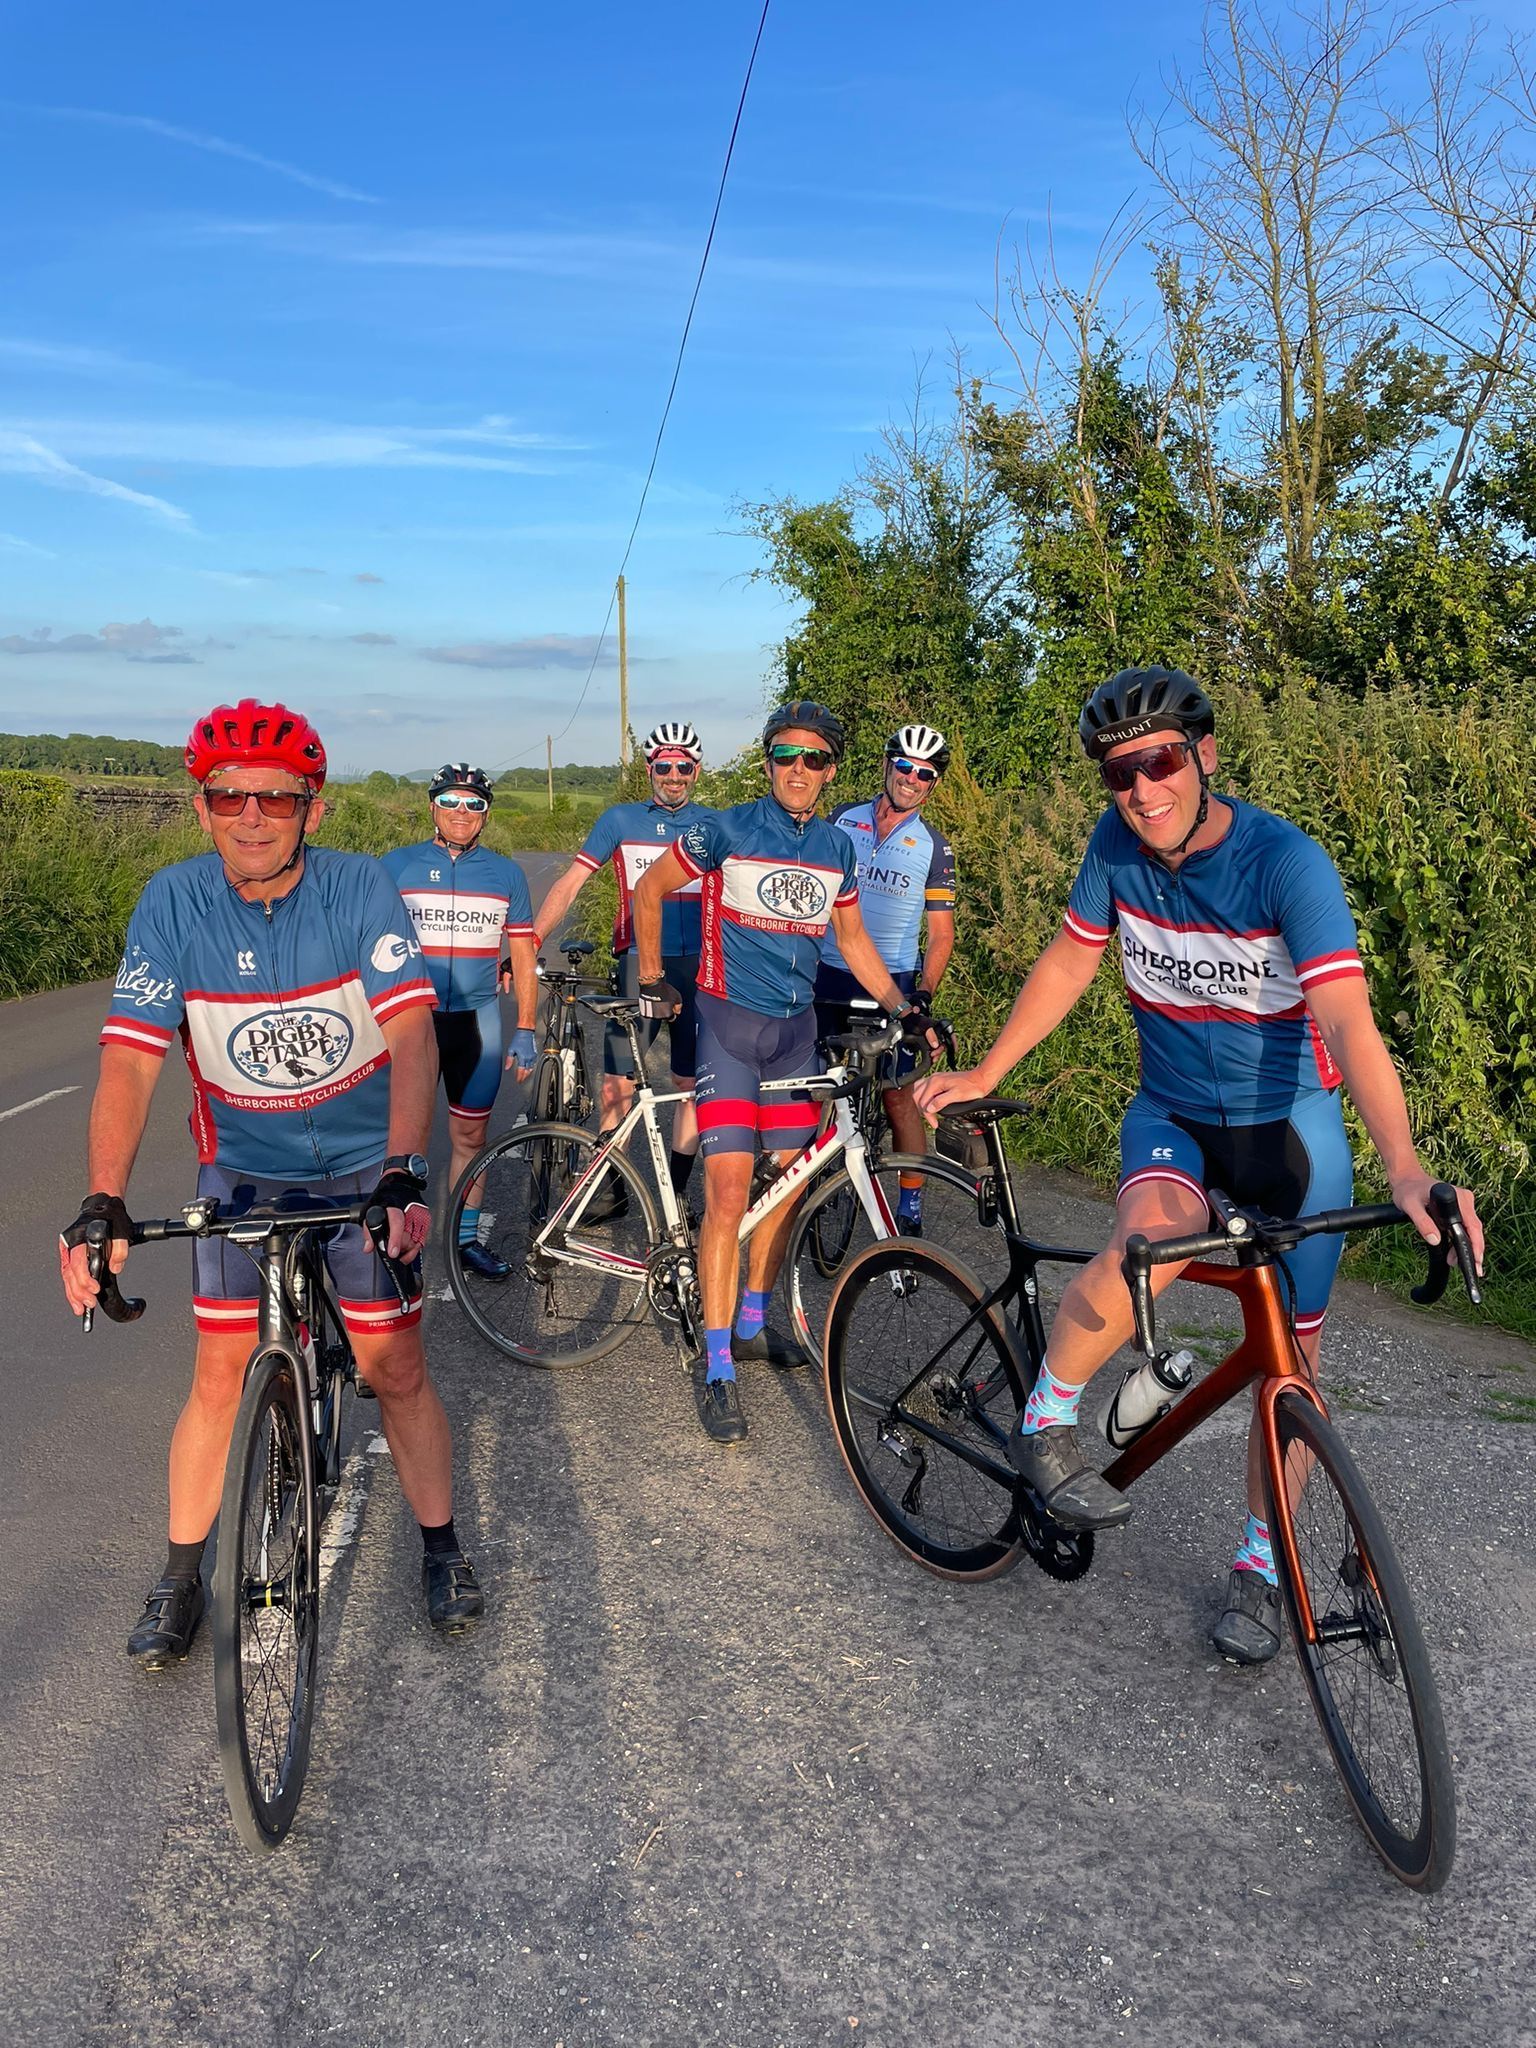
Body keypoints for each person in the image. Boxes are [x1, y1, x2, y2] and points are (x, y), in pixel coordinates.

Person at [917, 666, 1484, 1663]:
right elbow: (1071, 960)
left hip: (1292, 1136)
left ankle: (1263, 1564)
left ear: (1204, 754)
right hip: (1174, 1117)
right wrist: (989, 1069)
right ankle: (1046, 1421)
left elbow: (1347, 1020)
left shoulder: (1285, 862)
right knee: (1155, 1236)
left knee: (1291, 1369)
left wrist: (1403, 1164)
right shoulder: (1114, 849)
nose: (1142, 790)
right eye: (1118, 773)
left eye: (1161, 761)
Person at [59, 699, 485, 1668]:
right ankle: (180, 1575)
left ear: (313, 810)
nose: (251, 816)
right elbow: (129, 1060)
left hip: (360, 1168)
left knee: (394, 1368)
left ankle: (442, 1547)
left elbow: (411, 1033)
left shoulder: (357, 889)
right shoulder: (172, 903)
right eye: (229, 796)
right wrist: (103, 1197)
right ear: (201, 807)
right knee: (217, 1374)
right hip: (243, 1174)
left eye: (276, 798)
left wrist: (403, 1170)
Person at [633, 701, 929, 1446]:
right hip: (727, 1027)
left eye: (815, 758)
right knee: (729, 1193)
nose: (799, 769)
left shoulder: (838, 847)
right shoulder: (725, 829)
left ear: (831, 771)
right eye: (787, 755)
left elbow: (851, 939)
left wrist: (906, 1007)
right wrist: (651, 974)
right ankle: (717, 1364)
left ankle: (755, 1322)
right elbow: (648, 889)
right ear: (768, 762)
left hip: (795, 1037)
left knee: (787, 1187)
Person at [532, 722, 709, 1218]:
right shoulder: (621, 820)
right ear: (649, 768)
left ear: (696, 772)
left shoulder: (713, 824)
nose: (674, 776)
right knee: (617, 1086)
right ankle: (611, 1188)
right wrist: (531, 941)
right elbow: (571, 883)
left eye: (684, 767)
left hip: (699, 967)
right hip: (638, 963)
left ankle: (676, 1195)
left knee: (690, 1087)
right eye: (664, 766)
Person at [382, 765, 538, 1279]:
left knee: (471, 1137)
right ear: (433, 806)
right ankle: (392, 1241)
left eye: (474, 803)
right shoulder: (395, 866)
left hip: (478, 1021)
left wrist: (527, 1026)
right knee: (402, 1139)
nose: (461, 812)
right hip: (411, 1019)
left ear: (486, 814)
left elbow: (522, 952)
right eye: (450, 800)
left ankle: (465, 1240)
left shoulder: (506, 875)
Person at [815, 722, 956, 1235]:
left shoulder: (934, 847)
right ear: (886, 765)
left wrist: (923, 993)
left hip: (892, 982)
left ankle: (910, 1204)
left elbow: (941, 934)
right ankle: (810, 1177)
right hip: (828, 973)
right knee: (817, 1085)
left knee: (898, 1096)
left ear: (932, 784)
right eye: (904, 766)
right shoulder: (840, 819)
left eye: (924, 773)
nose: (911, 778)